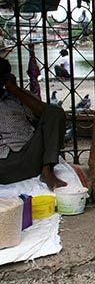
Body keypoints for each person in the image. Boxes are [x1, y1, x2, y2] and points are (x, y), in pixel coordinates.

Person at [0, 58, 66, 189]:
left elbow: (46, 113)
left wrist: (16, 91)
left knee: (55, 112)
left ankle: (47, 171)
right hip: (3, 166)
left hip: (30, 157)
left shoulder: (20, 97)